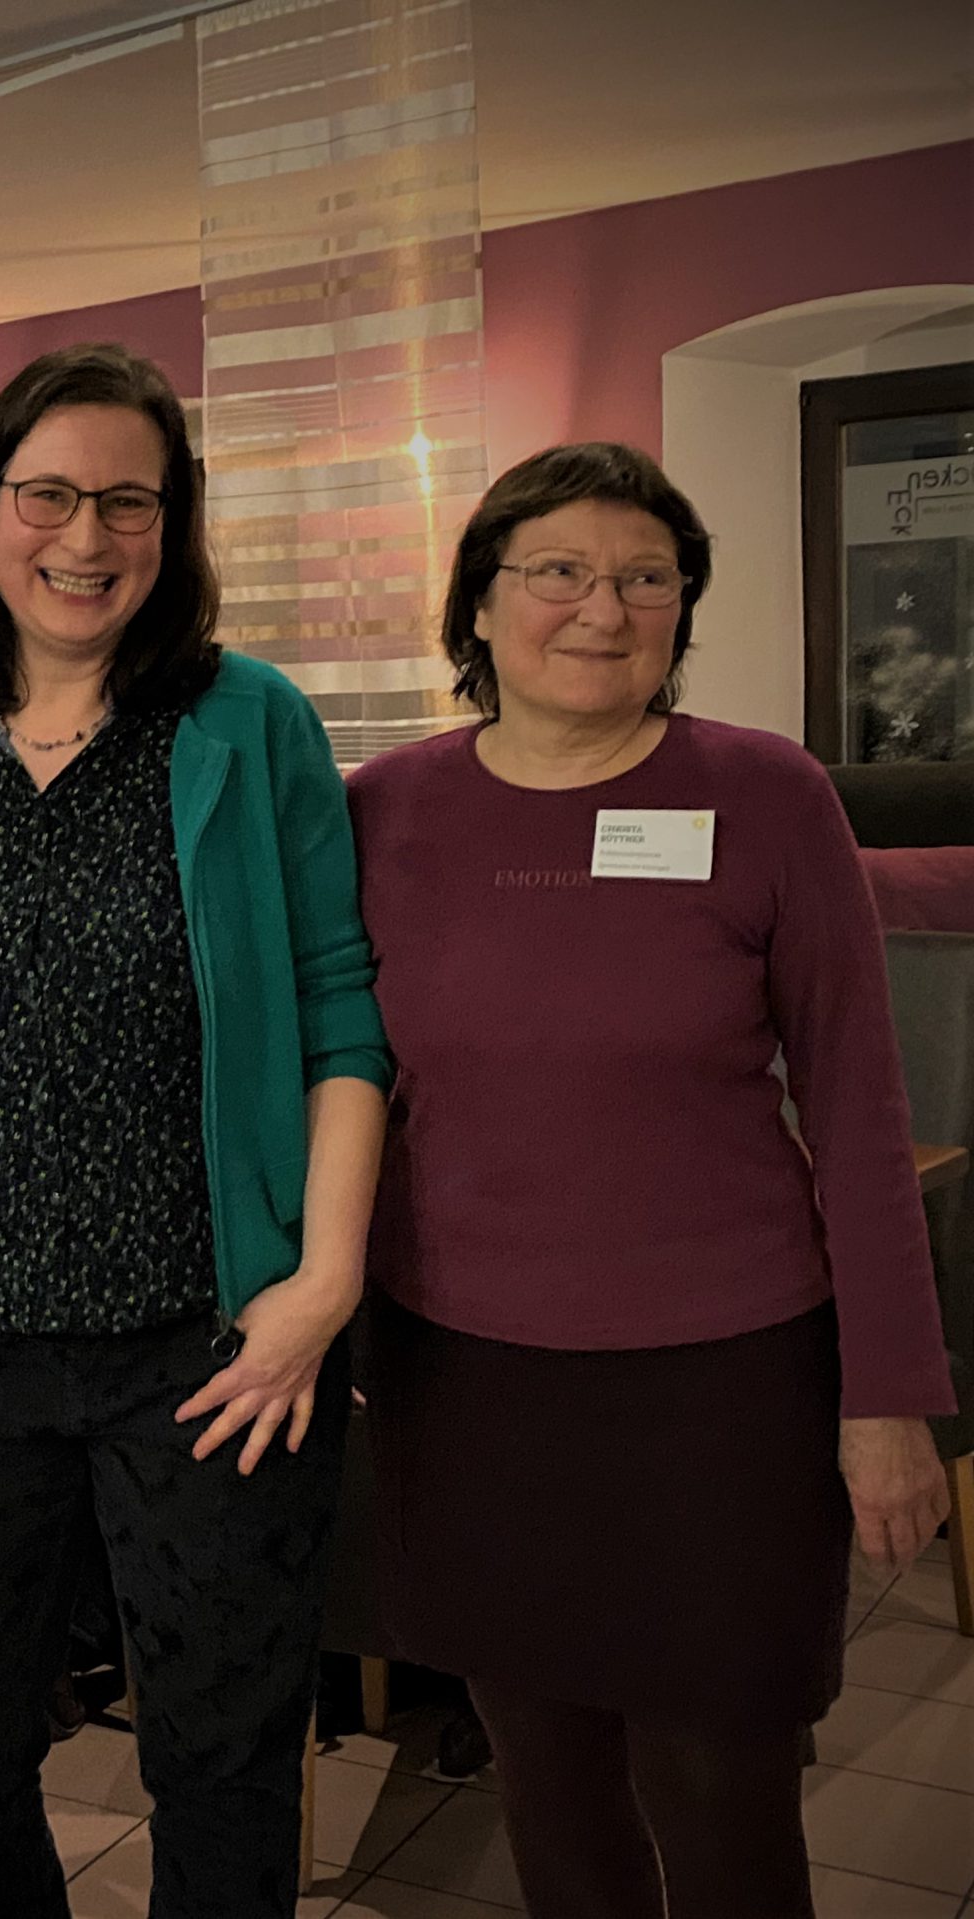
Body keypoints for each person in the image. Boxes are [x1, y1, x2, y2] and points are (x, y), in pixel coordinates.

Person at [347, 441, 956, 1918]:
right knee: (546, 1787)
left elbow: (865, 1112)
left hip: (724, 1384)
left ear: (683, 610)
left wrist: (889, 1399)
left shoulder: (767, 793)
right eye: (557, 571)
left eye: (645, 578)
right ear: (480, 607)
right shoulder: (380, 812)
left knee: (725, 1792)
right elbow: (342, 1092)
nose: (602, 609)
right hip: (473, 1381)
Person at [0, 342, 392, 1919]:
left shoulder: (244, 722)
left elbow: (343, 1013)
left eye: (129, 502)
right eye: (51, 495)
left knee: (219, 1758)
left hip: (213, 1346)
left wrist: (320, 1289)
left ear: (175, 524)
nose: (87, 538)